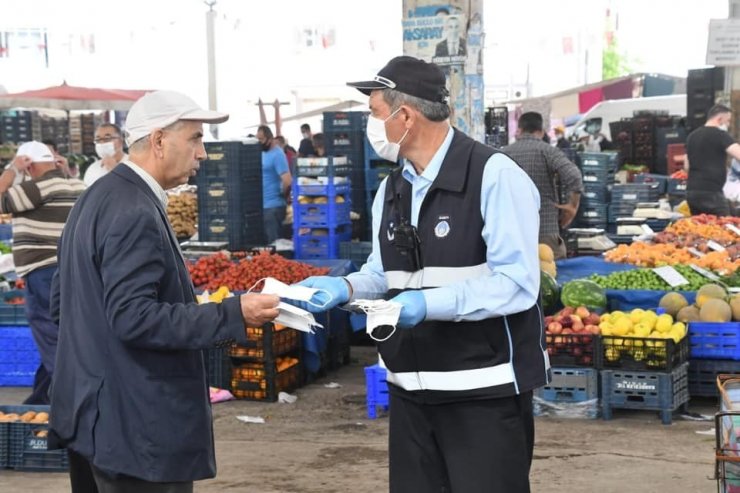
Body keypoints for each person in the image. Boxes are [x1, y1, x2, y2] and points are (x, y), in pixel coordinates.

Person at [294, 56, 549, 492]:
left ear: (406, 116)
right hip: (411, 391)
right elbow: (383, 270)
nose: (372, 127)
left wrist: (428, 304)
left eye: (375, 114)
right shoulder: (392, 189)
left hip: (482, 396)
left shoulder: (494, 176)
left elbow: (517, 284)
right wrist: (346, 286)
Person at [49, 90, 281, 493]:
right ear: (158, 141)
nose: (203, 153)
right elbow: (133, 318)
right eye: (195, 138)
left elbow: (62, 304)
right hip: (136, 432)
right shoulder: (134, 211)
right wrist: (233, 312)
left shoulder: (97, 198)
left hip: (94, 421)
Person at [0, 141, 85, 405]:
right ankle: (39, 402)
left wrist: (12, 170)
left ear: (31, 164)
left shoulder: (37, 187)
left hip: (43, 272)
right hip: (72, 270)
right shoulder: (77, 185)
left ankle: (71, 402)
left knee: (51, 338)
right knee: (64, 335)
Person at [504, 112, 583, 259]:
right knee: (551, 275)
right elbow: (574, 176)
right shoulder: (548, 151)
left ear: (519, 130)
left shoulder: (503, 153)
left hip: (511, 234)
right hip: (544, 231)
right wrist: (572, 207)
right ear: (541, 131)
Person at [686, 104, 740, 216]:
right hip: (712, 192)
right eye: (728, 121)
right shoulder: (721, 135)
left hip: (692, 192)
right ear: (720, 119)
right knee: (725, 227)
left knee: (699, 227)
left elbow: (686, 165)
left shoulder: (692, 136)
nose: (728, 125)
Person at [257, 125, 292, 244]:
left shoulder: (278, 154)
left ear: (270, 139)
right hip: (262, 205)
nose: (259, 142)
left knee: (273, 243)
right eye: (258, 139)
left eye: (261, 139)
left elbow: (287, 180)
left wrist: (282, 194)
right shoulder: (262, 153)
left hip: (273, 207)